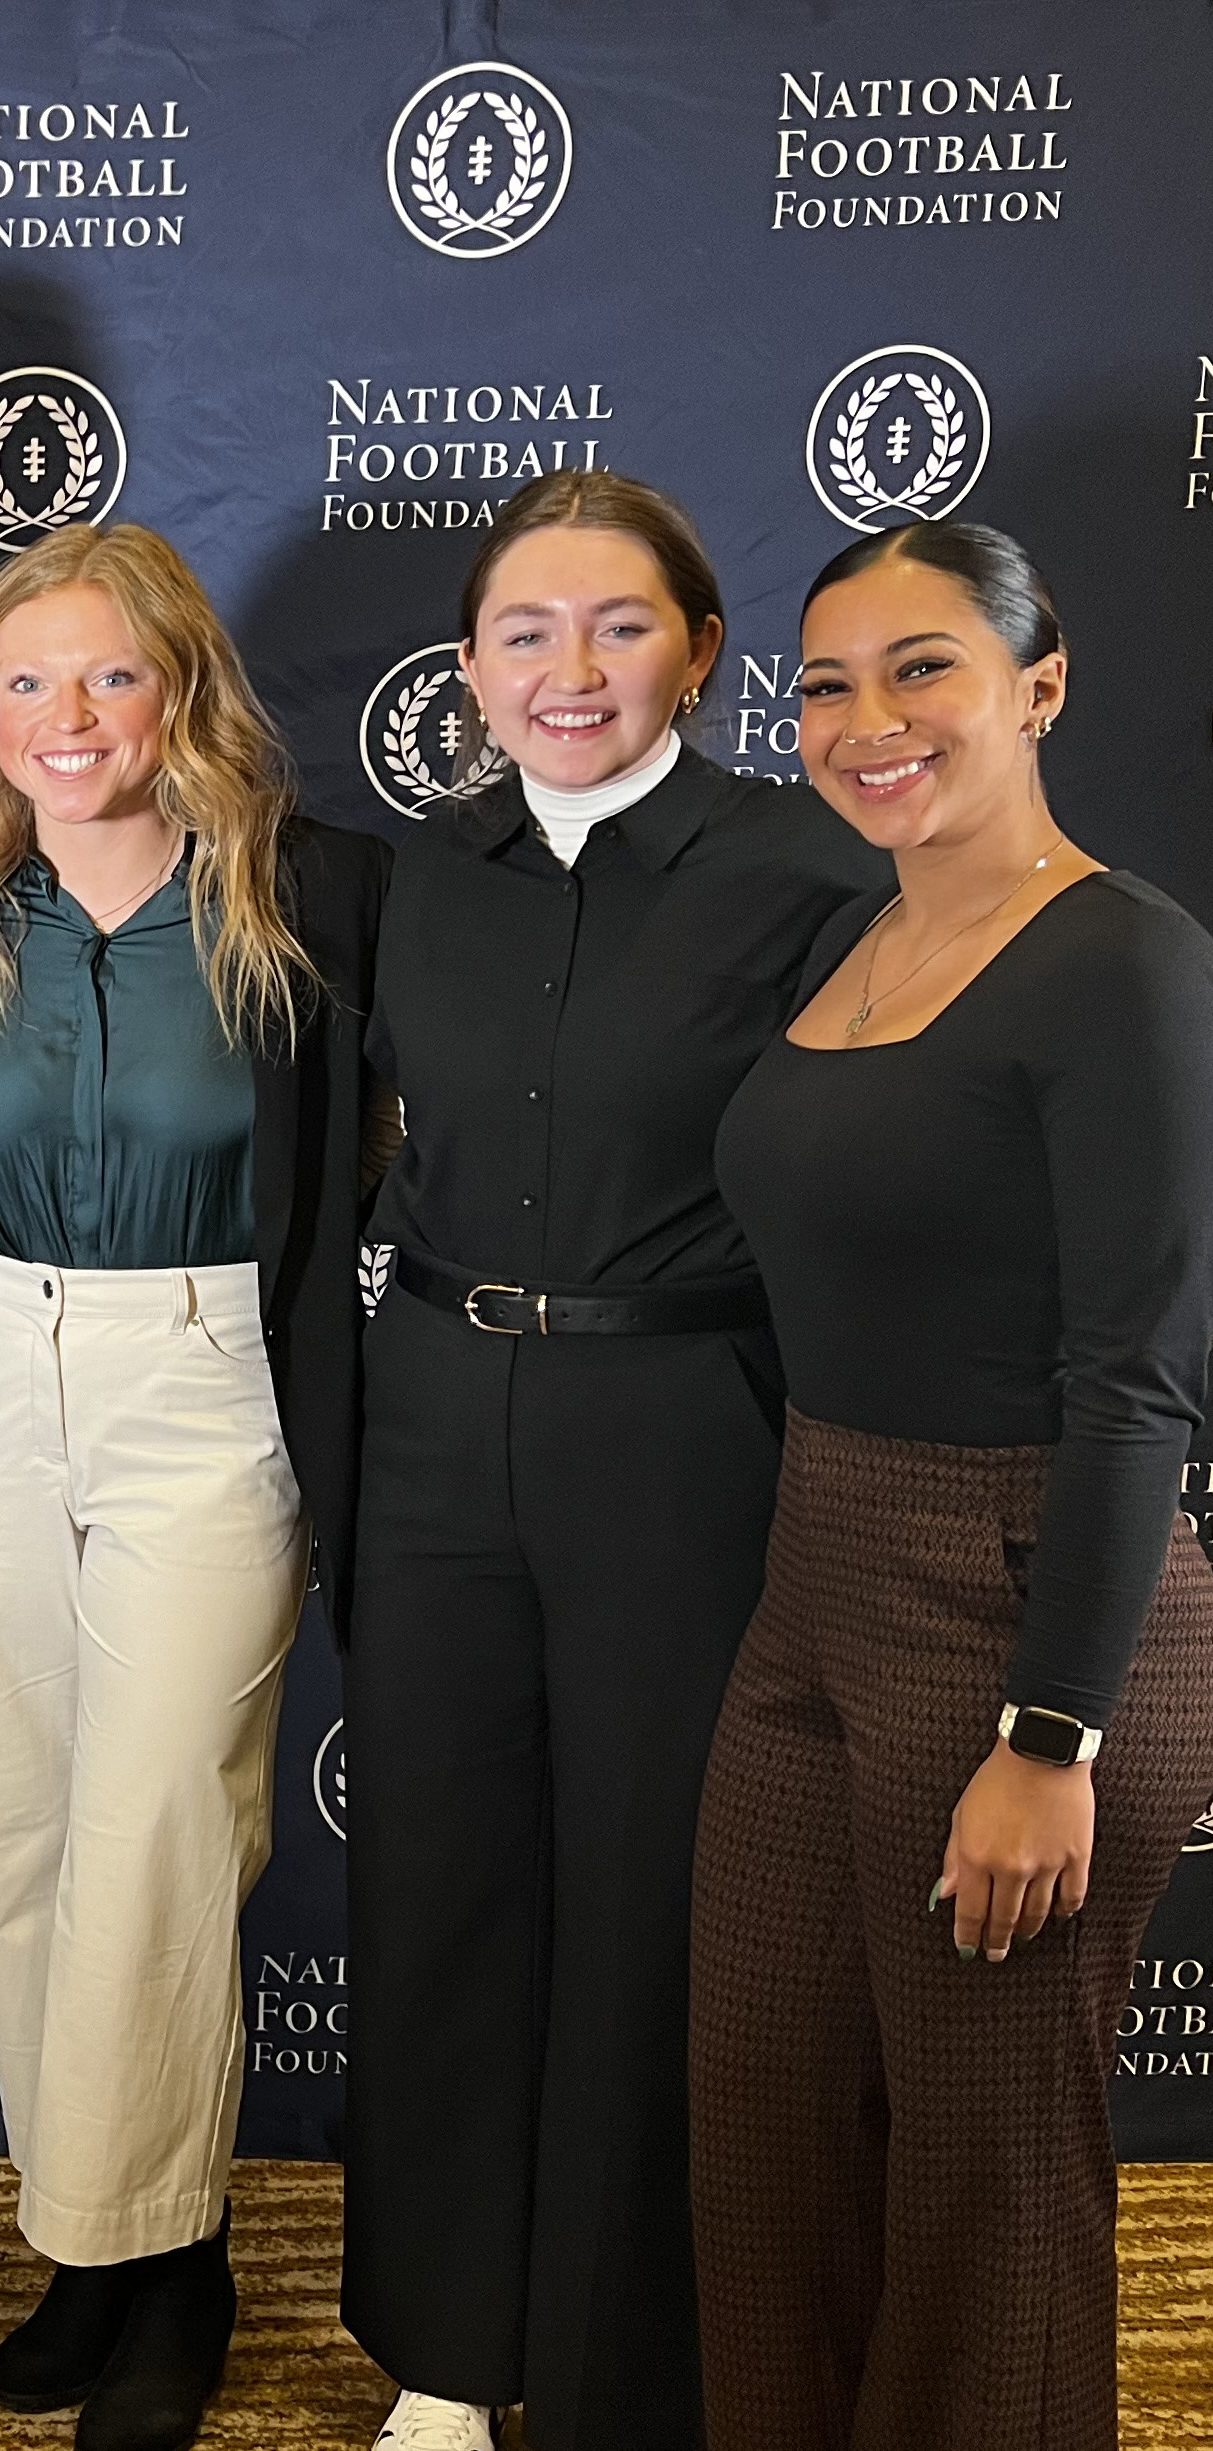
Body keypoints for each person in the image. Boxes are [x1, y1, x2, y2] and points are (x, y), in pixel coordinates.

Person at [340, 470, 886, 2451]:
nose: (569, 672)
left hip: (678, 1434)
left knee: (657, 1894)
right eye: (523, 634)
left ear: (705, 648)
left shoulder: (806, 873)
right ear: (470, 668)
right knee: (441, 1884)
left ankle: (621, 2366)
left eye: (618, 626)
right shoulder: (414, 876)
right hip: (430, 1426)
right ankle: (445, 2350)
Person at [0, 524, 390, 2451]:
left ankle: (178, 2267)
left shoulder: (302, 896)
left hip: (203, 1376)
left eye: (105, 675)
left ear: (178, 686)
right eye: (23, 681)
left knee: (164, 1823)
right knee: (26, 1829)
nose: (64, 719)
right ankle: (88, 2247)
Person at [694, 522, 1213, 2451]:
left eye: (922, 668)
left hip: (1021, 1601)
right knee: (763, 2122)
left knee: (985, 2184)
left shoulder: (1126, 963)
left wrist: (1049, 1733)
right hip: (814, 1568)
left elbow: (1136, 1378)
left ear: (1037, 687)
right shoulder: (869, 928)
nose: (865, 720)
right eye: (826, 684)